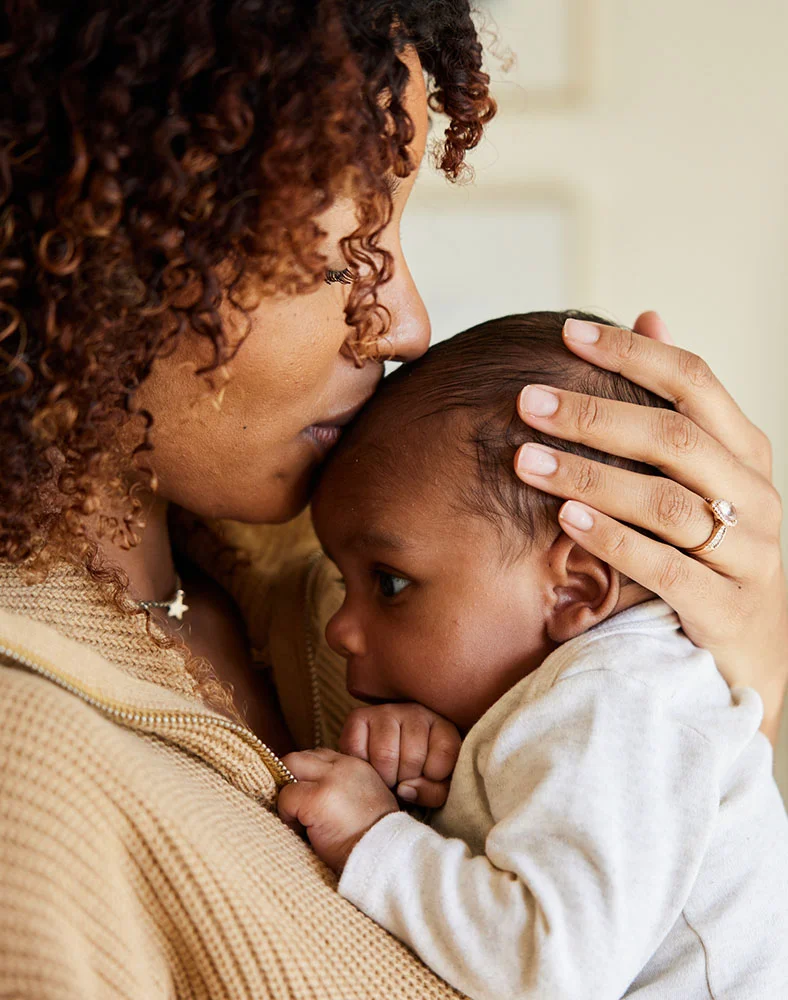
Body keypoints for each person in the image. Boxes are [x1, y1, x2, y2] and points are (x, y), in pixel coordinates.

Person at [0, 2, 785, 997]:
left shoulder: (386, 570)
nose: (405, 322)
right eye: (339, 257)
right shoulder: (28, 781)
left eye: (399, 235)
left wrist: (732, 680)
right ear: (95, 241)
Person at [280, 311, 788, 1000]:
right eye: (345, 582)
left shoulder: (617, 700)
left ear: (575, 587)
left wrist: (377, 839)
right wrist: (456, 785)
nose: (340, 628)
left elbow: (552, 969)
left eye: (389, 583)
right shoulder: (605, 695)